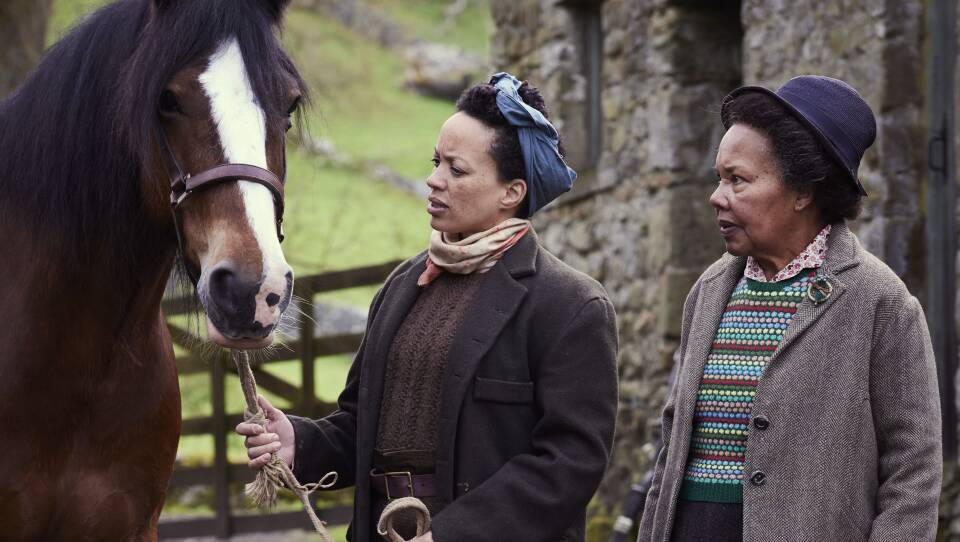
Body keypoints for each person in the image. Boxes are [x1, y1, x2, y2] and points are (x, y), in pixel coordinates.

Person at [236, 72, 618, 542]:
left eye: (456, 170)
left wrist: (454, 534)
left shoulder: (570, 305)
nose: (433, 181)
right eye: (436, 162)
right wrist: (302, 440)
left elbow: (570, 463)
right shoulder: (403, 285)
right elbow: (362, 424)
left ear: (511, 192)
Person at [637, 76, 942, 541]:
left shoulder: (880, 302)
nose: (717, 197)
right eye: (719, 178)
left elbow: (913, 473)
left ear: (803, 191)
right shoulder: (710, 289)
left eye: (737, 180)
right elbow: (671, 449)